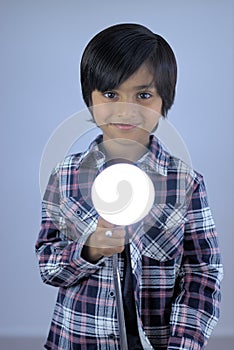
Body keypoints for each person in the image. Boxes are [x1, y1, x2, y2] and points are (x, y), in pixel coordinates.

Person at [35, 23, 223, 349]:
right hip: (76, 339)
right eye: (111, 94)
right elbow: (48, 265)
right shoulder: (65, 177)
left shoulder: (185, 184)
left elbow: (202, 276)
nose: (126, 109)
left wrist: (183, 345)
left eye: (144, 95)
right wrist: (89, 249)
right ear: (89, 98)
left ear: (165, 100)